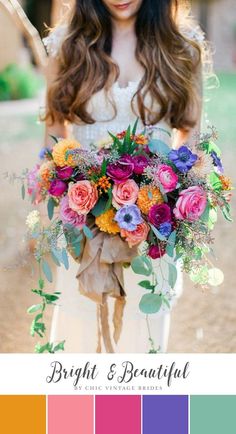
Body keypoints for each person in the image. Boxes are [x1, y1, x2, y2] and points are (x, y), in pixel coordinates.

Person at [42, 0, 205, 353]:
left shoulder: (181, 45)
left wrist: (169, 201)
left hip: (153, 227)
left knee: (142, 339)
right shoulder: (67, 44)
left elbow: (189, 139)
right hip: (82, 226)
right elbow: (54, 135)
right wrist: (58, 206)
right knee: (79, 333)